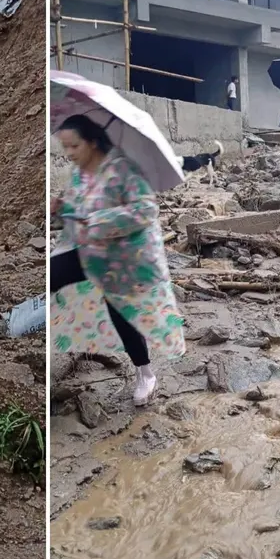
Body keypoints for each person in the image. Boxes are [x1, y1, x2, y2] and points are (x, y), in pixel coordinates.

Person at [50, 114, 185, 407]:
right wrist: (61, 208)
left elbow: (145, 210)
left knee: (121, 312)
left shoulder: (123, 169)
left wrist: (97, 219)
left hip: (126, 257)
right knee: (52, 272)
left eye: (74, 146)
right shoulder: (79, 175)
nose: (69, 153)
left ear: (91, 142)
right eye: (65, 147)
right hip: (92, 250)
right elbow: (78, 212)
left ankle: (145, 374)